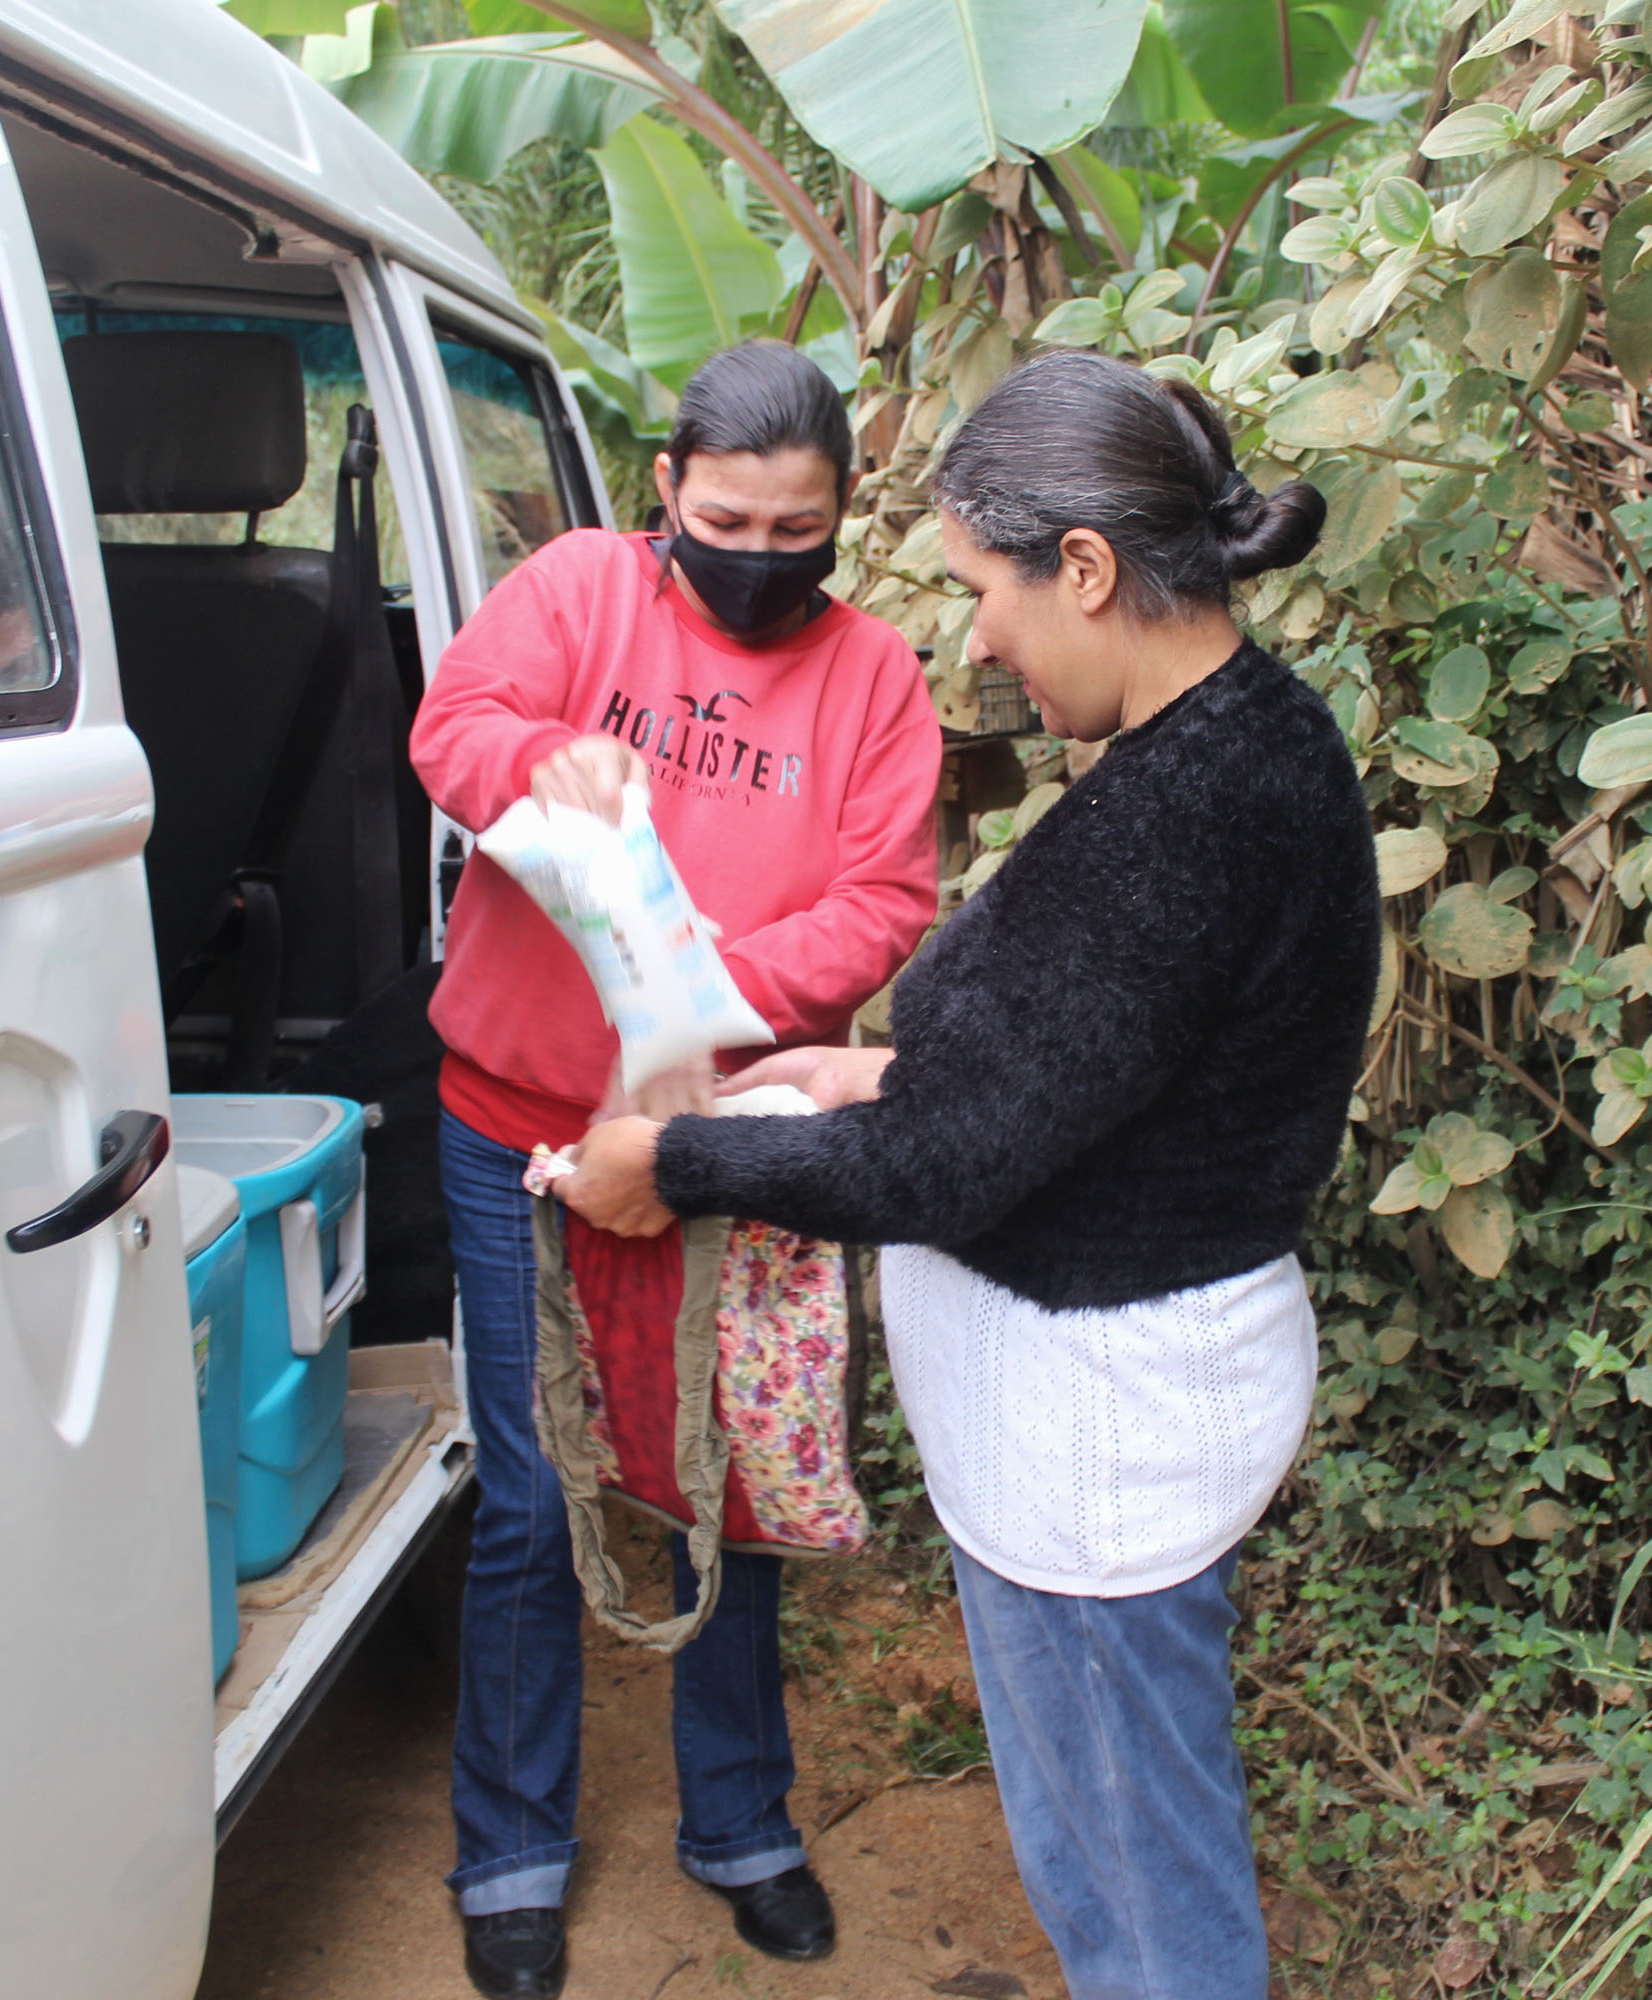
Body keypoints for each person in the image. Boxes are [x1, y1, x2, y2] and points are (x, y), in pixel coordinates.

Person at [553, 348, 1380, 2000]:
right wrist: (864, 1065)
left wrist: (677, 1161)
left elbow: (944, 1167)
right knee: (1098, 1854)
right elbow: (1104, 1068)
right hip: (1107, 1404)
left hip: (1104, 1437)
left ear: (1085, 567)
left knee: (1147, 1889)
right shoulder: (1239, 742)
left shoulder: (1180, 813)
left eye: (986, 591)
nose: (977, 637)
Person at [407, 339, 943, 2000]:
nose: (764, 559)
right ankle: (510, 1851)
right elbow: (455, 722)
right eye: (731, 522)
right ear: (667, 493)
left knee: (737, 1488)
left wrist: (698, 982)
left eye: (801, 534)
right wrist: (534, 763)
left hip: (732, 1145)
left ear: (844, 513)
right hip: (520, 1123)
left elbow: (884, 901)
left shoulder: (877, 680)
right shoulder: (578, 593)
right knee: (528, 1493)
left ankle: (742, 1825)